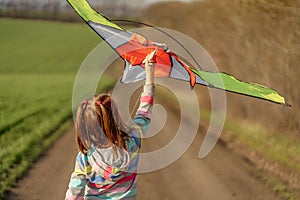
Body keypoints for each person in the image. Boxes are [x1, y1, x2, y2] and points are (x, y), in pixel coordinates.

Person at [65, 53, 155, 200]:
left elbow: (74, 193)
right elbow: (144, 112)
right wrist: (149, 75)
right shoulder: (132, 141)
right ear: (115, 118)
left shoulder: (86, 156)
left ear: (85, 126)